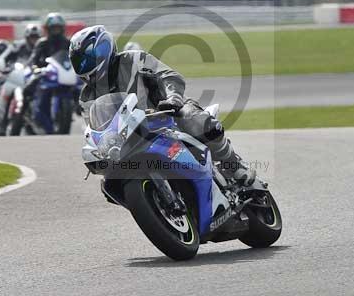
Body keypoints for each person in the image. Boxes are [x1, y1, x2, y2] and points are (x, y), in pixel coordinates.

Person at [70, 25, 256, 185]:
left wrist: (173, 97)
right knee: (109, 183)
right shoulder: (86, 96)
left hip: (165, 115)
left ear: (105, 49)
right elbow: (95, 129)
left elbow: (167, 75)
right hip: (129, 138)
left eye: (88, 58)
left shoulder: (133, 59)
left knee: (197, 121)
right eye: (79, 61)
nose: (85, 64)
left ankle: (235, 165)